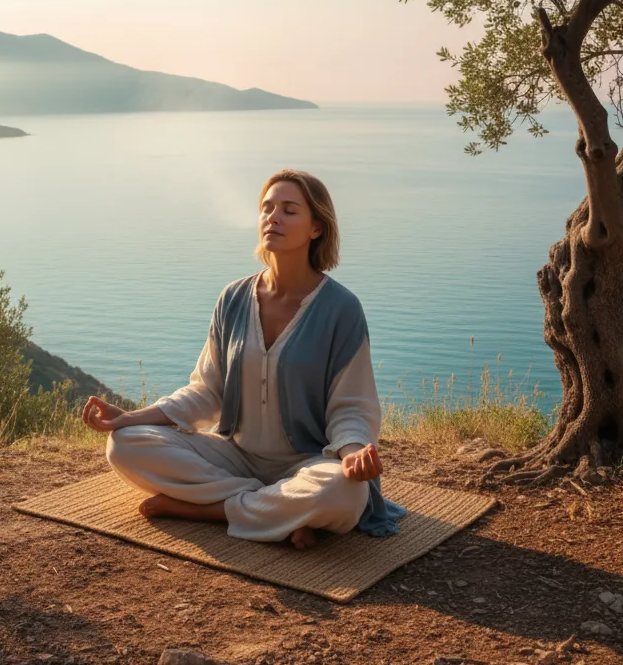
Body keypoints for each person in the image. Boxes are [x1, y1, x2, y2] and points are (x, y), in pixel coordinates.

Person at [81, 169, 406, 548]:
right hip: (235, 457)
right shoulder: (233, 299)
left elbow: (350, 406)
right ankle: (281, 509)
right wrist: (128, 418)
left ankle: (209, 509)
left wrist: (352, 454)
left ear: (316, 228)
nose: (273, 217)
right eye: (267, 208)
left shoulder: (341, 309)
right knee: (124, 444)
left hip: (309, 461)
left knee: (344, 490)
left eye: (289, 210)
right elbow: (207, 392)